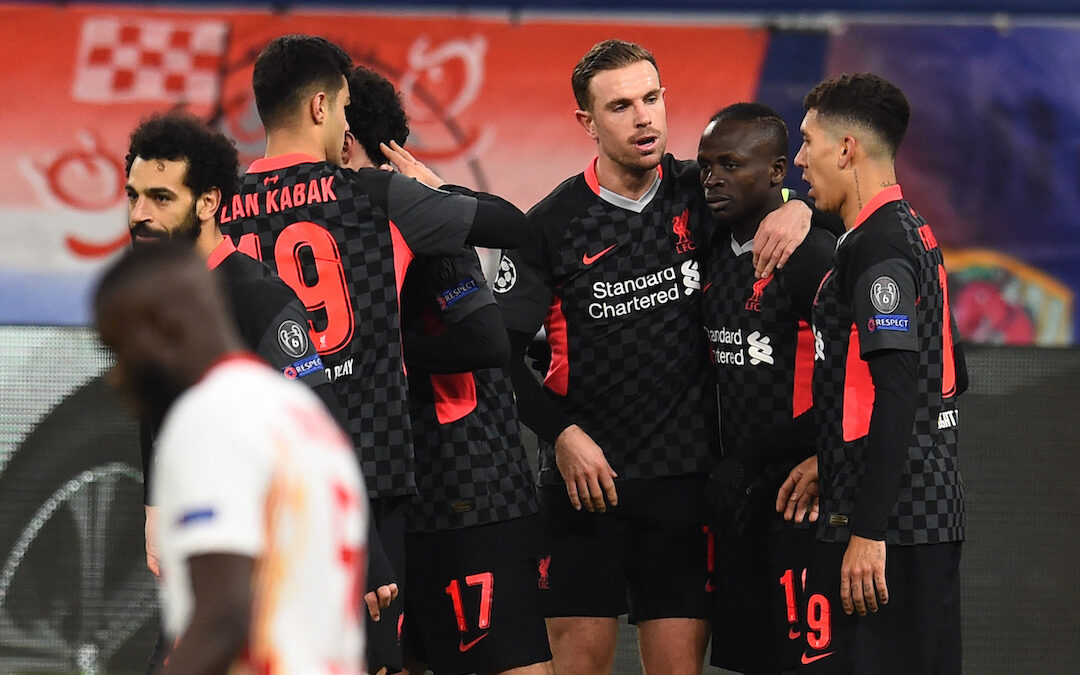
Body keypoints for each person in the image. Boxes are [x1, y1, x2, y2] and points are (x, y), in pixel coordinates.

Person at [494, 38, 813, 674]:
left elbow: (785, 200)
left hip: (685, 485)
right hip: (586, 486)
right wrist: (560, 435)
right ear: (587, 122)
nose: (644, 118)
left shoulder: (707, 194)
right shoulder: (550, 226)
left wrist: (797, 208)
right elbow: (495, 358)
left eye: (652, 98)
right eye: (620, 106)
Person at [218, 35, 529, 675]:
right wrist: (432, 191)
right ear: (323, 108)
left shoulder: (221, 212)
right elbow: (513, 227)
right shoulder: (374, 196)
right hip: (368, 468)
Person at [124, 111, 397, 672]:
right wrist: (154, 506)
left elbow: (323, 422)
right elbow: (160, 410)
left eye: (159, 197)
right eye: (133, 196)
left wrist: (364, 549)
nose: (139, 216)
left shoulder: (256, 298)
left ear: (207, 203)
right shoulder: (162, 295)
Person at [343, 66, 553, 675]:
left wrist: (381, 347)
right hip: (392, 487)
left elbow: (484, 340)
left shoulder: (423, 219)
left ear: (349, 140)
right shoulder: (335, 227)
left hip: (470, 487)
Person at [94, 243, 367, 673]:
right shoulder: (302, 415)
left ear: (164, 327)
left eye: (118, 348)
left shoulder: (211, 418)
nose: (117, 375)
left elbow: (223, 618)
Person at [777, 72, 966, 673]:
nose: (799, 159)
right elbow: (951, 376)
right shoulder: (910, 228)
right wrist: (830, 457)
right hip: (921, 516)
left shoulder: (878, 247)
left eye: (807, 141)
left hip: (892, 530)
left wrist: (869, 531)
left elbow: (899, 391)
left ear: (847, 149)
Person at [696, 103, 837, 673]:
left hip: (803, 499)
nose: (713, 179)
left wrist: (825, 454)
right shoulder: (708, 253)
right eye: (706, 166)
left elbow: (861, 378)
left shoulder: (812, 257)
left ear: (779, 171)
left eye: (731, 165)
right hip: (742, 502)